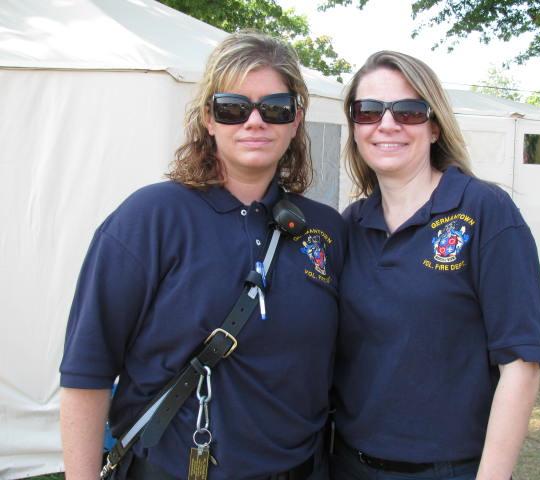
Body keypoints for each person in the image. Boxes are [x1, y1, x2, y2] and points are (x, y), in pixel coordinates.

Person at [59, 32, 345, 480]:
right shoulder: (150, 217)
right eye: (233, 107)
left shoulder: (326, 229)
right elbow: (85, 373)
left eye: (275, 108)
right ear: (208, 119)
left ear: (296, 121)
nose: (255, 121)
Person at [331, 51, 540, 480]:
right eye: (369, 111)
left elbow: (520, 366)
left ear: (434, 126)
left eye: (409, 111)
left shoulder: (486, 212)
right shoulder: (348, 226)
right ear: (355, 127)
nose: (387, 125)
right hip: (346, 465)